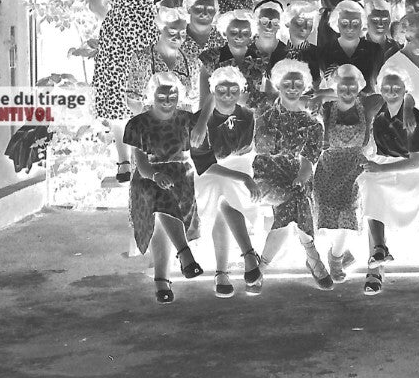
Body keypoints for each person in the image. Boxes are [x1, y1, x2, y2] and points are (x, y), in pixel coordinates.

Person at [89, 0, 167, 181]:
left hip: (148, 35)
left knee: (146, 95)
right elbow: (95, 3)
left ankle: (145, 159)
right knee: (117, 99)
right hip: (117, 39)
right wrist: (116, 24)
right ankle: (122, 161)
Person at [121, 71, 205, 302]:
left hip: (181, 176)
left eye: (172, 95)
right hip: (149, 177)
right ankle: (185, 254)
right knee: (158, 197)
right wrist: (157, 175)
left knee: (161, 208)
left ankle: (162, 279)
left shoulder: (188, 120)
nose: (167, 101)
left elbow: (208, 119)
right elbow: (142, 165)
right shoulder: (137, 124)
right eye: (162, 96)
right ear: (151, 96)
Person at [254, 59, 333, 289]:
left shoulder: (312, 123)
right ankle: (312, 256)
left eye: (297, 82)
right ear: (278, 83)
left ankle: (260, 268)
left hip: (295, 175)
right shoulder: (263, 107)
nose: (292, 86)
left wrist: (301, 177)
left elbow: (309, 162)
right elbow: (224, 93)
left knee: (296, 196)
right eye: (287, 81)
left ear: (305, 86)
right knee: (296, 199)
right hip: (265, 175)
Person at [358, 69, 419, 296]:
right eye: (386, 87)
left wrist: (381, 169)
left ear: (405, 90)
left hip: (407, 173)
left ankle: (377, 257)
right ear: (380, 89)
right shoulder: (376, 111)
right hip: (380, 166)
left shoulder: (415, 117)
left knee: (374, 185)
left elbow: (416, 162)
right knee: (369, 186)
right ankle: (378, 255)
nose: (391, 91)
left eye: (397, 88)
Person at [191, 65, 263, 298]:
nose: (227, 94)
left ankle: (221, 272)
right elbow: (205, 165)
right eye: (221, 89)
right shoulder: (199, 122)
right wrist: (244, 178)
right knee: (220, 195)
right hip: (211, 171)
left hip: (242, 164)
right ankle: (249, 256)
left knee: (225, 202)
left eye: (233, 89)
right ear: (213, 91)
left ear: (240, 90)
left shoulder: (249, 114)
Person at [312, 64, 379, 284]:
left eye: (353, 85)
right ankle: (342, 251)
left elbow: (395, 94)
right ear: (335, 87)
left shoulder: (367, 104)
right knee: (326, 211)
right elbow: (302, 97)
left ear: (360, 87)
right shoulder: (326, 107)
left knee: (347, 213)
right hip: (328, 166)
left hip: (355, 166)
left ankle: (335, 258)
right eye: (342, 86)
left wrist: (406, 109)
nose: (348, 90)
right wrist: (323, 94)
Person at [123, 3, 205, 119]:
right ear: (161, 28)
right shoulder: (142, 58)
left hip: (183, 126)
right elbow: (133, 101)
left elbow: (196, 101)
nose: (178, 38)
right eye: (172, 32)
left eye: (182, 33)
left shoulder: (192, 61)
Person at [314, 0, 383, 93]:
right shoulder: (324, 52)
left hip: (369, 104)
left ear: (362, 24)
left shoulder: (375, 50)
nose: (350, 27)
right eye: (345, 22)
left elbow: (378, 84)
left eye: (355, 23)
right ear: (336, 23)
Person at [283, 1, 324, 87]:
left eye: (309, 22)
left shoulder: (320, 54)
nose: (305, 27)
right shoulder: (277, 53)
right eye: (300, 21)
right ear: (288, 22)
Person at [179, 0, 221, 67]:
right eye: (199, 8)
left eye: (210, 8)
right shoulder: (176, 36)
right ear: (188, 9)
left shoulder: (223, 37)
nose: (205, 13)